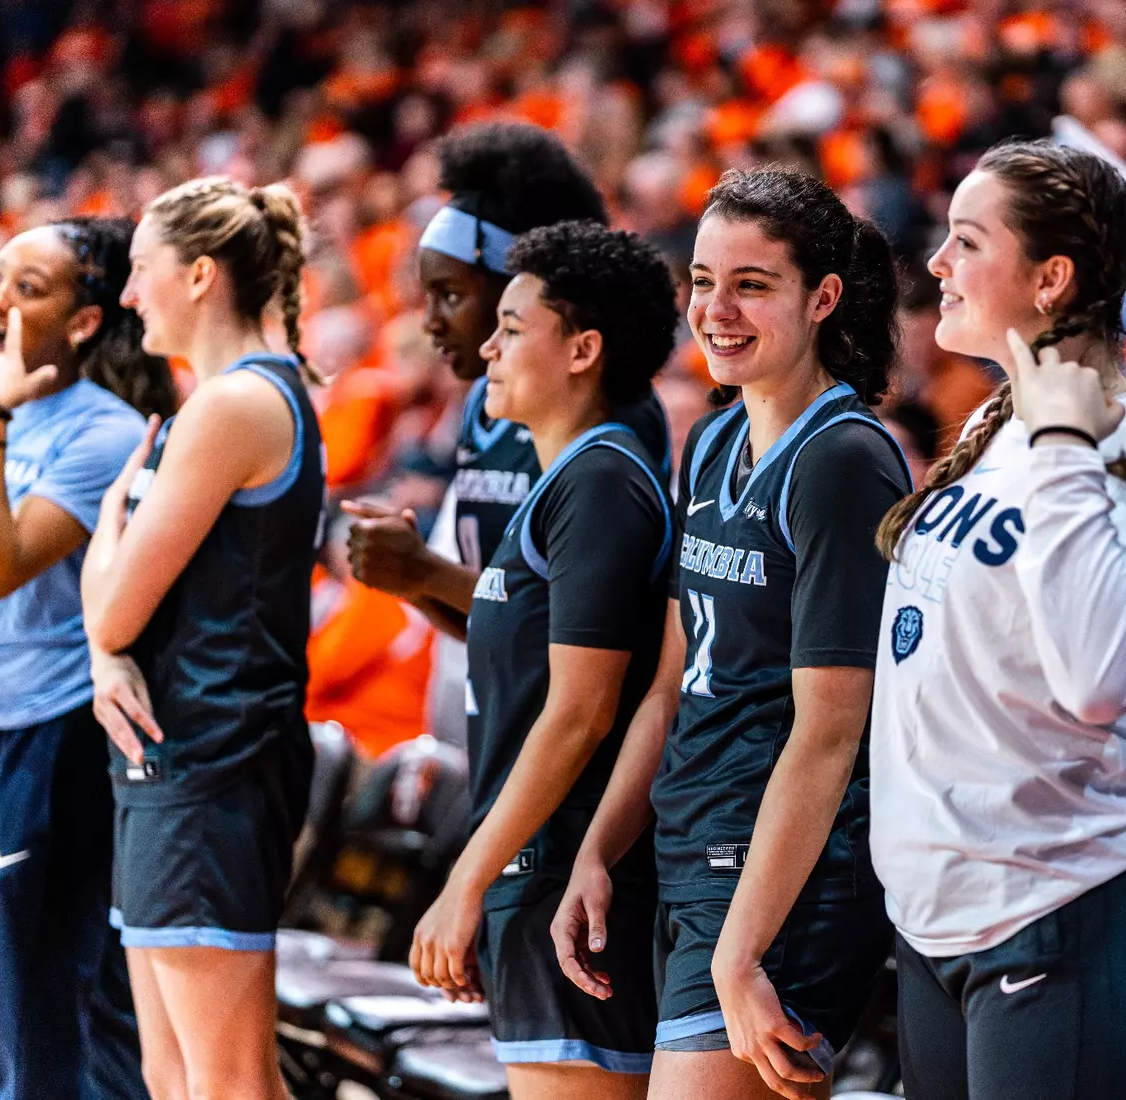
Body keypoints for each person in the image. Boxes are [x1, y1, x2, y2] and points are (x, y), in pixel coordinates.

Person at [552, 169, 911, 1100]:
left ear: (821, 298)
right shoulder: (709, 439)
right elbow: (675, 682)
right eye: (703, 280)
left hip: (779, 874)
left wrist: (741, 949)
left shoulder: (844, 461)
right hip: (691, 841)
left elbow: (831, 730)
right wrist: (602, 845)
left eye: (751, 284)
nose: (715, 309)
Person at [870, 139, 1126, 1100]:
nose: (935, 264)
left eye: (965, 241)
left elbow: (1101, 679)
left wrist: (1065, 446)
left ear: (1049, 278)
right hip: (942, 922)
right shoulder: (999, 426)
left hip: (1060, 917)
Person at [407, 220, 678, 1098]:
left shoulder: (601, 482)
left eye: (513, 329)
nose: (488, 346)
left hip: (569, 880)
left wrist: (466, 879)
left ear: (582, 349)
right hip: (538, 870)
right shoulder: (569, 482)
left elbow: (580, 711)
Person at [79, 177, 325, 1100]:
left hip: (213, 764)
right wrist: (105, 649)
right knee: (172, 1076)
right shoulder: (216, 403)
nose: (130, 294)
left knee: (225, 1085)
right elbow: (114, 627)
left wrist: (108, 519)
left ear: (199, 276)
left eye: (141, 271)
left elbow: (110, 610)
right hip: (171, 763)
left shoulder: (237, 407)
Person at [0, 216, 173, 1100]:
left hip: (48, 739)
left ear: (83, 324)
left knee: (30, 1029)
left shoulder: (100, 436)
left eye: (26, 287)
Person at [342, 122, 667, 641]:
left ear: (516, 286)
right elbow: (493, 626)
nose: (430, 322)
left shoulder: (607, 410)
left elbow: (581, 627)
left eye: (450, 294)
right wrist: (411, 580)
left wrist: (426, 571)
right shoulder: (483, 402)